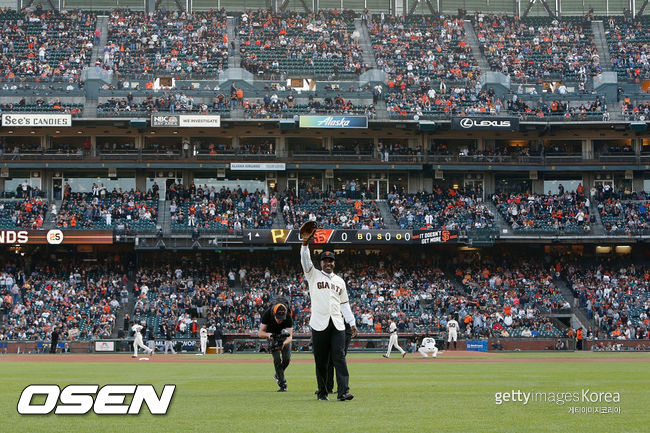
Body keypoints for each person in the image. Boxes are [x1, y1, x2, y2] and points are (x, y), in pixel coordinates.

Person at [301, 227, 357, 401]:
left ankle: (343, 392)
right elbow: (305, 261)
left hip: (338, 323)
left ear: (334, 263)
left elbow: (345, 303)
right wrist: (304, 244)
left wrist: (352, 322)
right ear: (321, 263)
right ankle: (323, 391)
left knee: (339, 357)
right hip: (319, 323)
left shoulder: (340, 281)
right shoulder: (313, 275)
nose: (328, 263)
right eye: (325, 260)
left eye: (331, 261)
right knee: (321, 360)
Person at [258, 300, 293, 392]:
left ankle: (278, 374)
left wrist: (283, 343)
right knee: (277, 360)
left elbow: (290, 337)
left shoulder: (288, 316)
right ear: (274, 314)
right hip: (272, 337)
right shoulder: (267, 314)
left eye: (282, 318)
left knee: (287, 359)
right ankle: (282, 383)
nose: (280, 320)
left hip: (284, 338)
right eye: (278, 318)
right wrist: (268, 335)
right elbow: (260, 333)